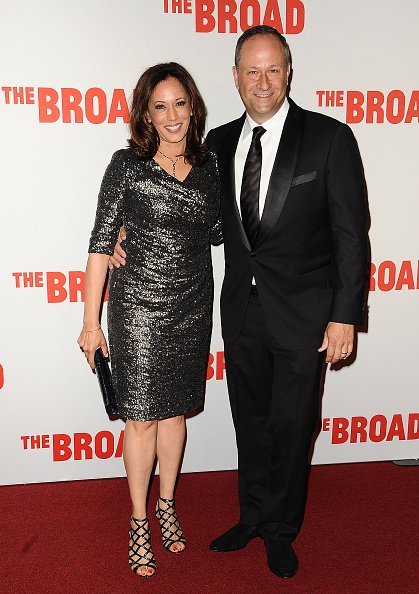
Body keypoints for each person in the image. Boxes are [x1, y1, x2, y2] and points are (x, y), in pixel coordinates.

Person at [111, 26, 368, 579]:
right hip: (240, 312)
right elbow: (181, 212)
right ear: (234, 77)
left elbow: (352, 234)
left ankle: (280, 530)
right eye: (250, 71)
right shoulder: (218, 146)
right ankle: (251, 516)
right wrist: (123, 237)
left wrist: (345, 314)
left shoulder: (328, 138)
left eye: (272, 69)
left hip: (306, 314)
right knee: (250, 423)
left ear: (289, 71)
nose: (262, 81)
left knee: (293, 425)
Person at [78, 62, 220, 578]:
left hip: (191, 306)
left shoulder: (210, 169)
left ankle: (167, 504)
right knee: (140, 418)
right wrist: (91, 322)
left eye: (180, 103)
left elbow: (226, 230)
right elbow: (99, 244)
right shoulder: (126, 165)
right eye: (159, 106)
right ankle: (139, 518)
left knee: (176, 414)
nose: (172, 116)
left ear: (193, 106)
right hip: (137, 306)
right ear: (145, 113)